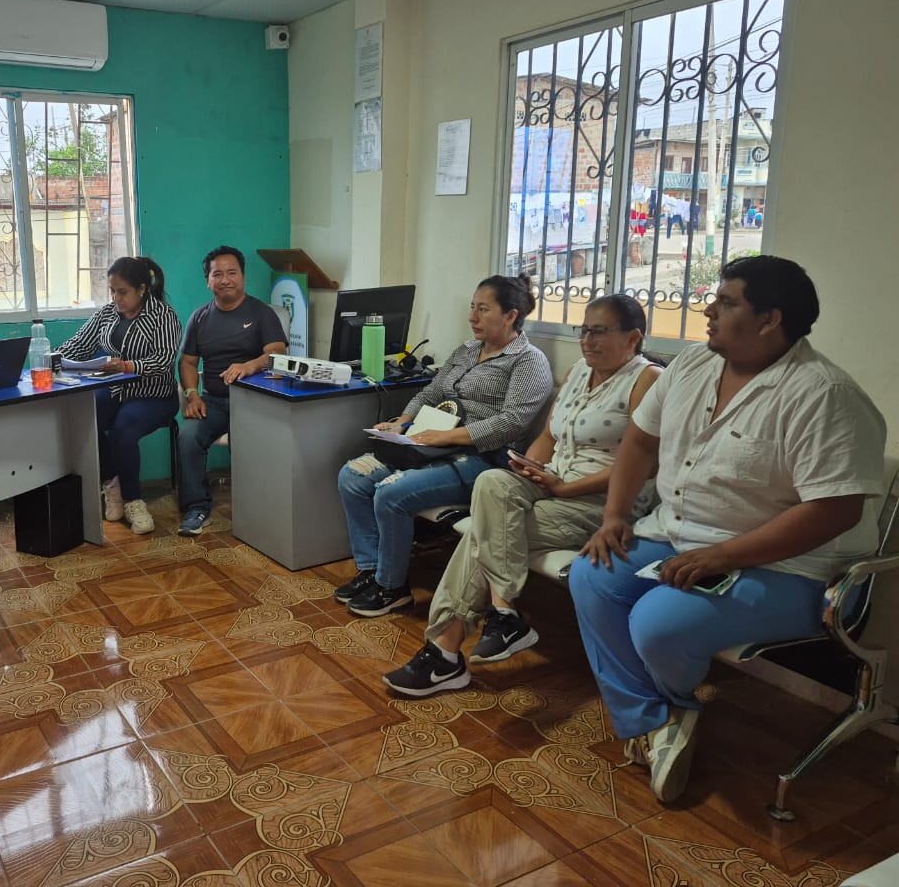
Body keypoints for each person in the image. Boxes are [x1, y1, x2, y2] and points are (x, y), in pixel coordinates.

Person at [569, 255, 885, 804]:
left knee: (658, 622)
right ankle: (658, 719)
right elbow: (640, 441)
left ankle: (659, 717)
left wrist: (722, 557)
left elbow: (834, 511)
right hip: (679, 535)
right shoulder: (693, 365)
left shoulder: (824, 395)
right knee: (592, 574)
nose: (708, 310)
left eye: (727, 302)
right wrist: (615, 516)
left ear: (769, 319)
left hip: (796, 569)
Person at [383, 295, 660, 695]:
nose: (586, 340)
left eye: (599, 332)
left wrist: (564, 488)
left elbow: (644, 466)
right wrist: (529, 467)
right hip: (553, 482)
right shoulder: (579, 371)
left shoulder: (647, 380)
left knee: (483, 531)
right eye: (583, 330)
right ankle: (503, 613)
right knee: (492, 482)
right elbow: (548, 437)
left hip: (602, 504)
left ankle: (445, 651)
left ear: (633, 338)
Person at [335, 275, 553, 618]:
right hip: (432, 443)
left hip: (484, 458)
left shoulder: (528, 361)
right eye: (472, 307)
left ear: (511, 315)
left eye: (483, 309)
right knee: (353, 476)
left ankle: (392, 587)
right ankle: (372, 571)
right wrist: (401, 422)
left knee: (391, 493)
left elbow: (512, 423)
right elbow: (431, 392)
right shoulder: (466, 350)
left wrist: (446, 437)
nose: (472, 317)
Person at [58, 256, 181, 535]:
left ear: (142, 289)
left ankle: (134, 502)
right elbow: (79, 344)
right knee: (85, 419)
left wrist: (126, 366)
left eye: (122, 292)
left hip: (154, 395)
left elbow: (163, 361)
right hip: (116, 390)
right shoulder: (107, 314)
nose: (116, 298)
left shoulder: (163, 316)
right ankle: (112, 484)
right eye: (112, 291)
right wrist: (51, 359)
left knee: (122, 430)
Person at [176, 246, 287, 536]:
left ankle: (258, 509)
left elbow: (277, 353)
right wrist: (192, 395)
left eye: (232, 273)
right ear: (208, 281)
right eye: (217, 274)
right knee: (188, 436)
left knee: (248, 441)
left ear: (243, 277)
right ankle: (197, 508)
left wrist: (250, 365)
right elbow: (188, 362)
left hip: (255, 402)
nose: (225, 280)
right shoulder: (200, 318)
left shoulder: (261, 313)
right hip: (214, 402)